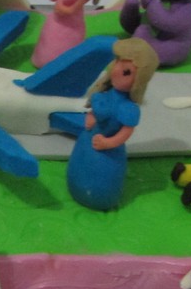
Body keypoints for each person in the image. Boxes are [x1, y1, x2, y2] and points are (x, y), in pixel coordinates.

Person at [66, 38, 158, 210]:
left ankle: (97, 197)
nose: (115, 71)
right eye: (117, 62)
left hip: (106, 150)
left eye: (126, 72)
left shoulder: (127, 108)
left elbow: (126, 131)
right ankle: (76, 186)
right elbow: (95, 108)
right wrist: (91, 116)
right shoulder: (105, 92)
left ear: (138, 80)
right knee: (80, 166)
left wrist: (108, 143)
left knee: (100, 179)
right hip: (88, 140)